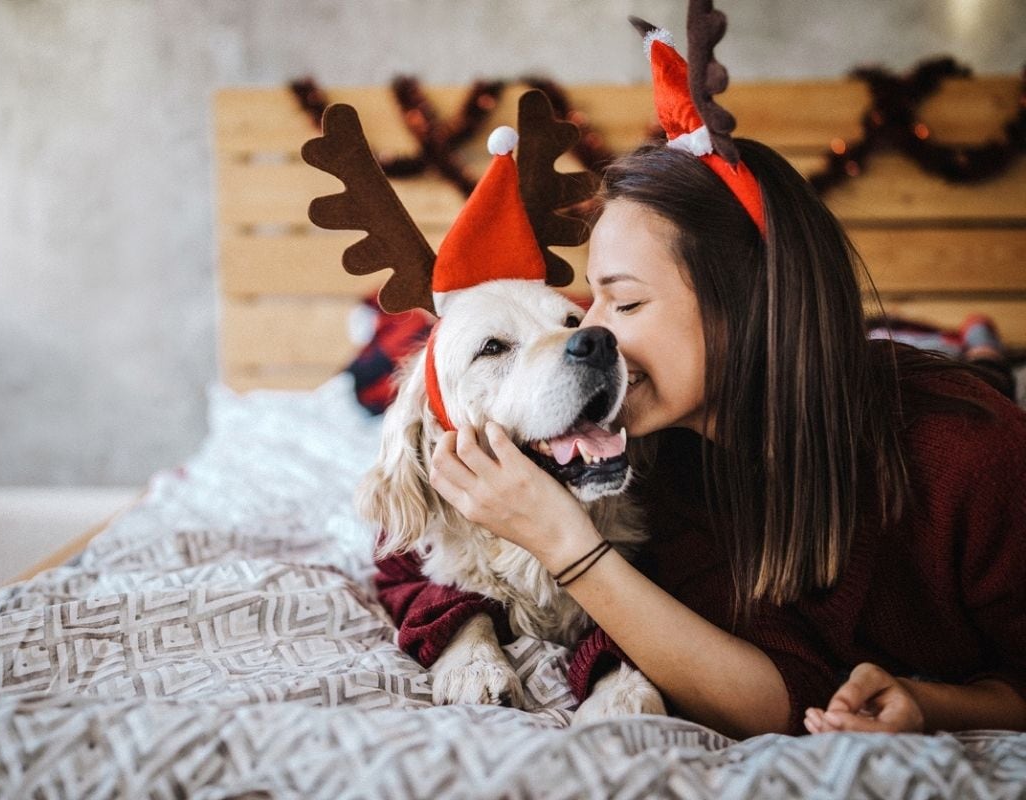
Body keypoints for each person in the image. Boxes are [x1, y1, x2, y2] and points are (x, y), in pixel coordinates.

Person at [402, 132, 1026, 738]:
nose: (587, 335)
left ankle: (981, 348)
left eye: (623, 304)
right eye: (589, 302)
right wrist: (556, 537)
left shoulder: (973, 458)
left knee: (988, 380)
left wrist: (936, 704)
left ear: (745, 307)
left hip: (949, 403)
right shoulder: (661, 460)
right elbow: (775, 696)